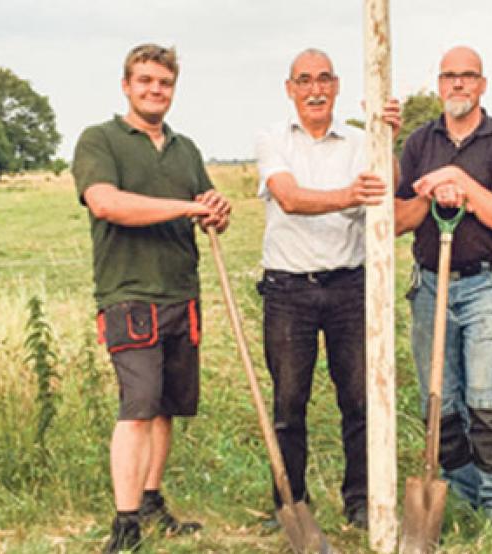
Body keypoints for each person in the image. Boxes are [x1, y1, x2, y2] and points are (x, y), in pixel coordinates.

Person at [72, 44, 231, 553]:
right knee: (137, 407)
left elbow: (208, 212)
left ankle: (151, 500)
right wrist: (184, 205)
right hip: (130, 295)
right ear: (126, 85)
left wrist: (215, 210)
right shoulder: (101, 140)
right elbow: (106, 203)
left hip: (181, 292)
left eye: (163, 83)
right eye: (144, 81)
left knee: (166, 408)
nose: (154, 90)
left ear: (173, 89)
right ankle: (125, 526)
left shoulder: (185, 149)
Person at [254, 48, 400, 529]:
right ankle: (290, 503)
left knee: (359, 399)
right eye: (304, 81)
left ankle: (359, 500)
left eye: (323, 80)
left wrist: (388, 140)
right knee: (289, 402)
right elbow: (290, 198)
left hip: (349, 287)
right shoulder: (272, 139)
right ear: (289, 89)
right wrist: (348, 196)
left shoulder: (361, 142)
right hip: (288, 291)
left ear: (336, 87)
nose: (314, 89)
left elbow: (389, 193)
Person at [395, 46, 492, 519]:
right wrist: (433, 195)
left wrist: (461, 184)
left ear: (482, 84)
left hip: (487, 285)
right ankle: (461, 493)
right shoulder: (417, 143)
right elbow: (398, 218)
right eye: (449, 76)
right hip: (431, 284)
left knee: (486, 398)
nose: (457, 84)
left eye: (467, 76)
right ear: (438, 85)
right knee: (442, 400)